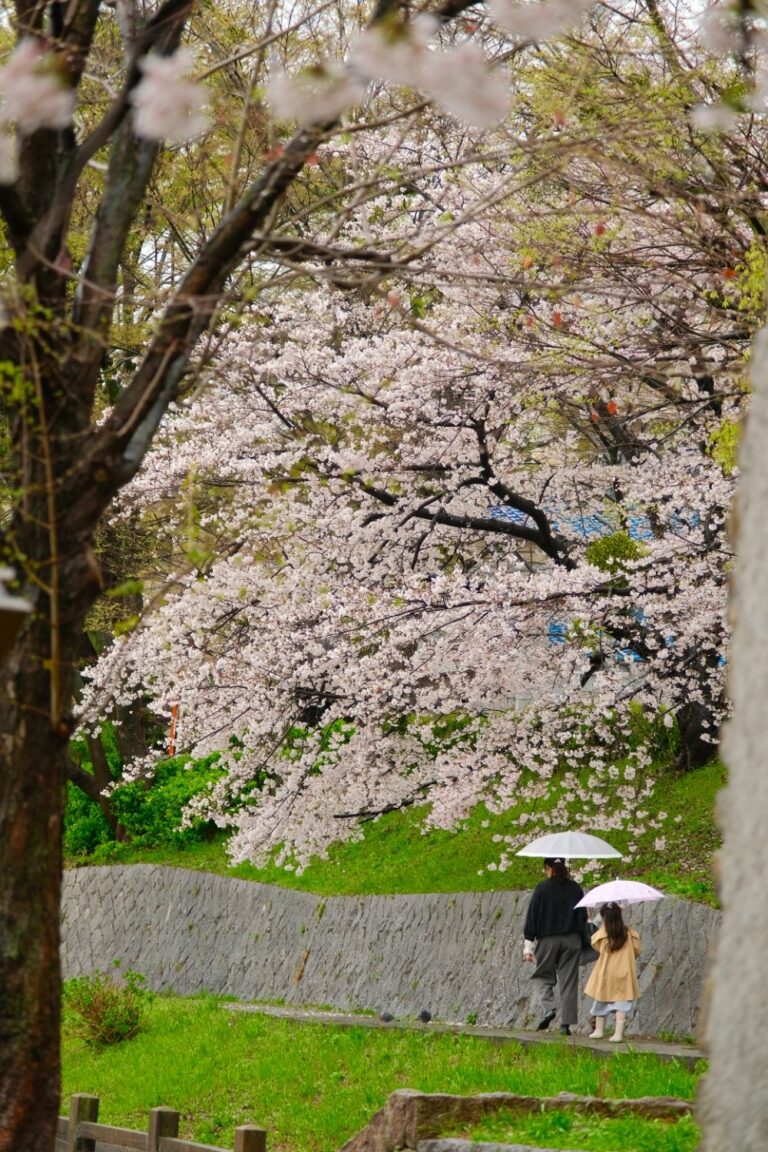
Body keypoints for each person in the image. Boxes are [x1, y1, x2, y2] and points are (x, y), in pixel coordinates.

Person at [522, 856, 587, 1036]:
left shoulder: (542, 889)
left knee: (542, 975)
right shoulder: (575, 888)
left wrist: (528, 946)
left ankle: (549, 1008)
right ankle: (565, 1025)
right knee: (568, 981)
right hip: (572, 939)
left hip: (548, 939)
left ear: (549, 868)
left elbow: (532, 917)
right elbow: (583, 917)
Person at [583, 901, 642, 1042]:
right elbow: (637, 951)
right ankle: (618, 1034)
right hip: (624, 973)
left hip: (605, 973)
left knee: (600, 1001)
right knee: (621, 1005)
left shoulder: (602, 935)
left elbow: (595, 945)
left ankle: (599, 1031)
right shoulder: (630, 934)